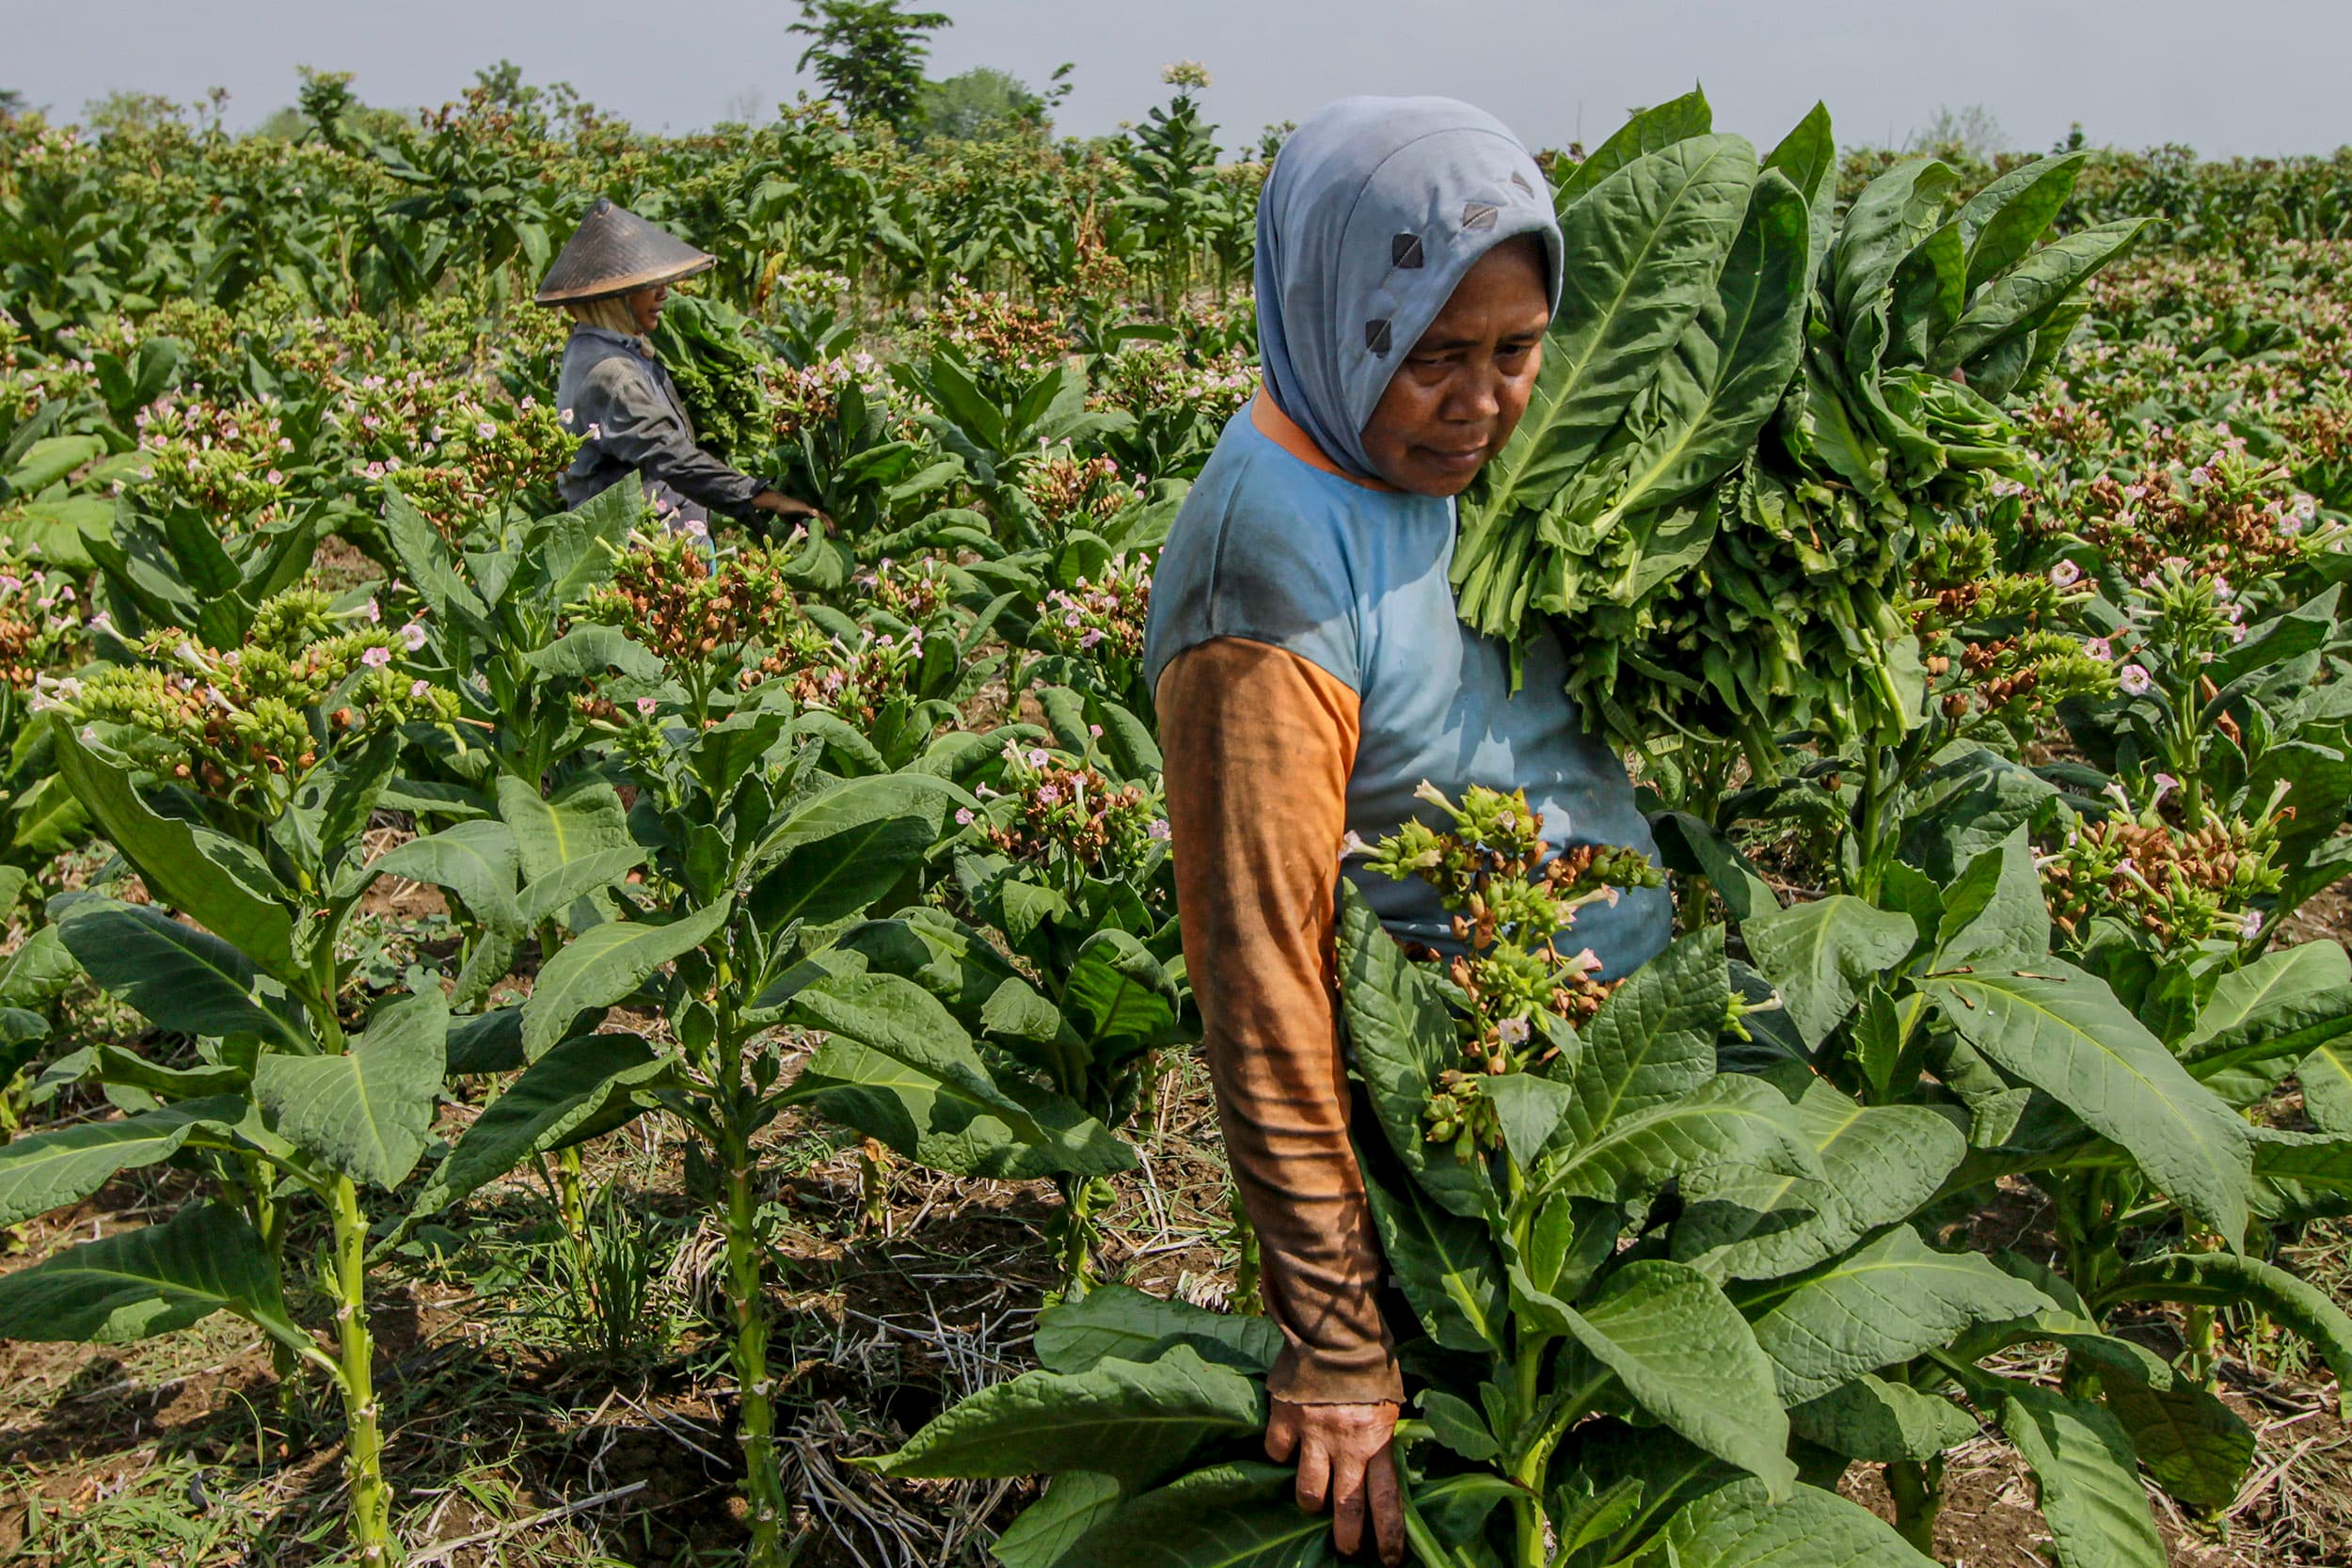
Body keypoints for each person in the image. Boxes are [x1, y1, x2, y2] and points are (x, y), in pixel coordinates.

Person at [1142, 98, 1674, 1564]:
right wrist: (1334, 1331)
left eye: (1515, 350)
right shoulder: (1267, 572)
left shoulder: (1446, 468)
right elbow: (1261, 970)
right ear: (1334, 316)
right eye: (1434, 354)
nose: (1485, 403)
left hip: (1590, 1062)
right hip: (1454, 1134)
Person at [536, 198, 821, 534]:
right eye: (648, 285)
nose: (663, 293)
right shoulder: (612, 373)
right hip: (640, 556)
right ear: (614, 296)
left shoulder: (599, 347)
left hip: (657, 541)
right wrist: (760, 497)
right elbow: (672, 457)